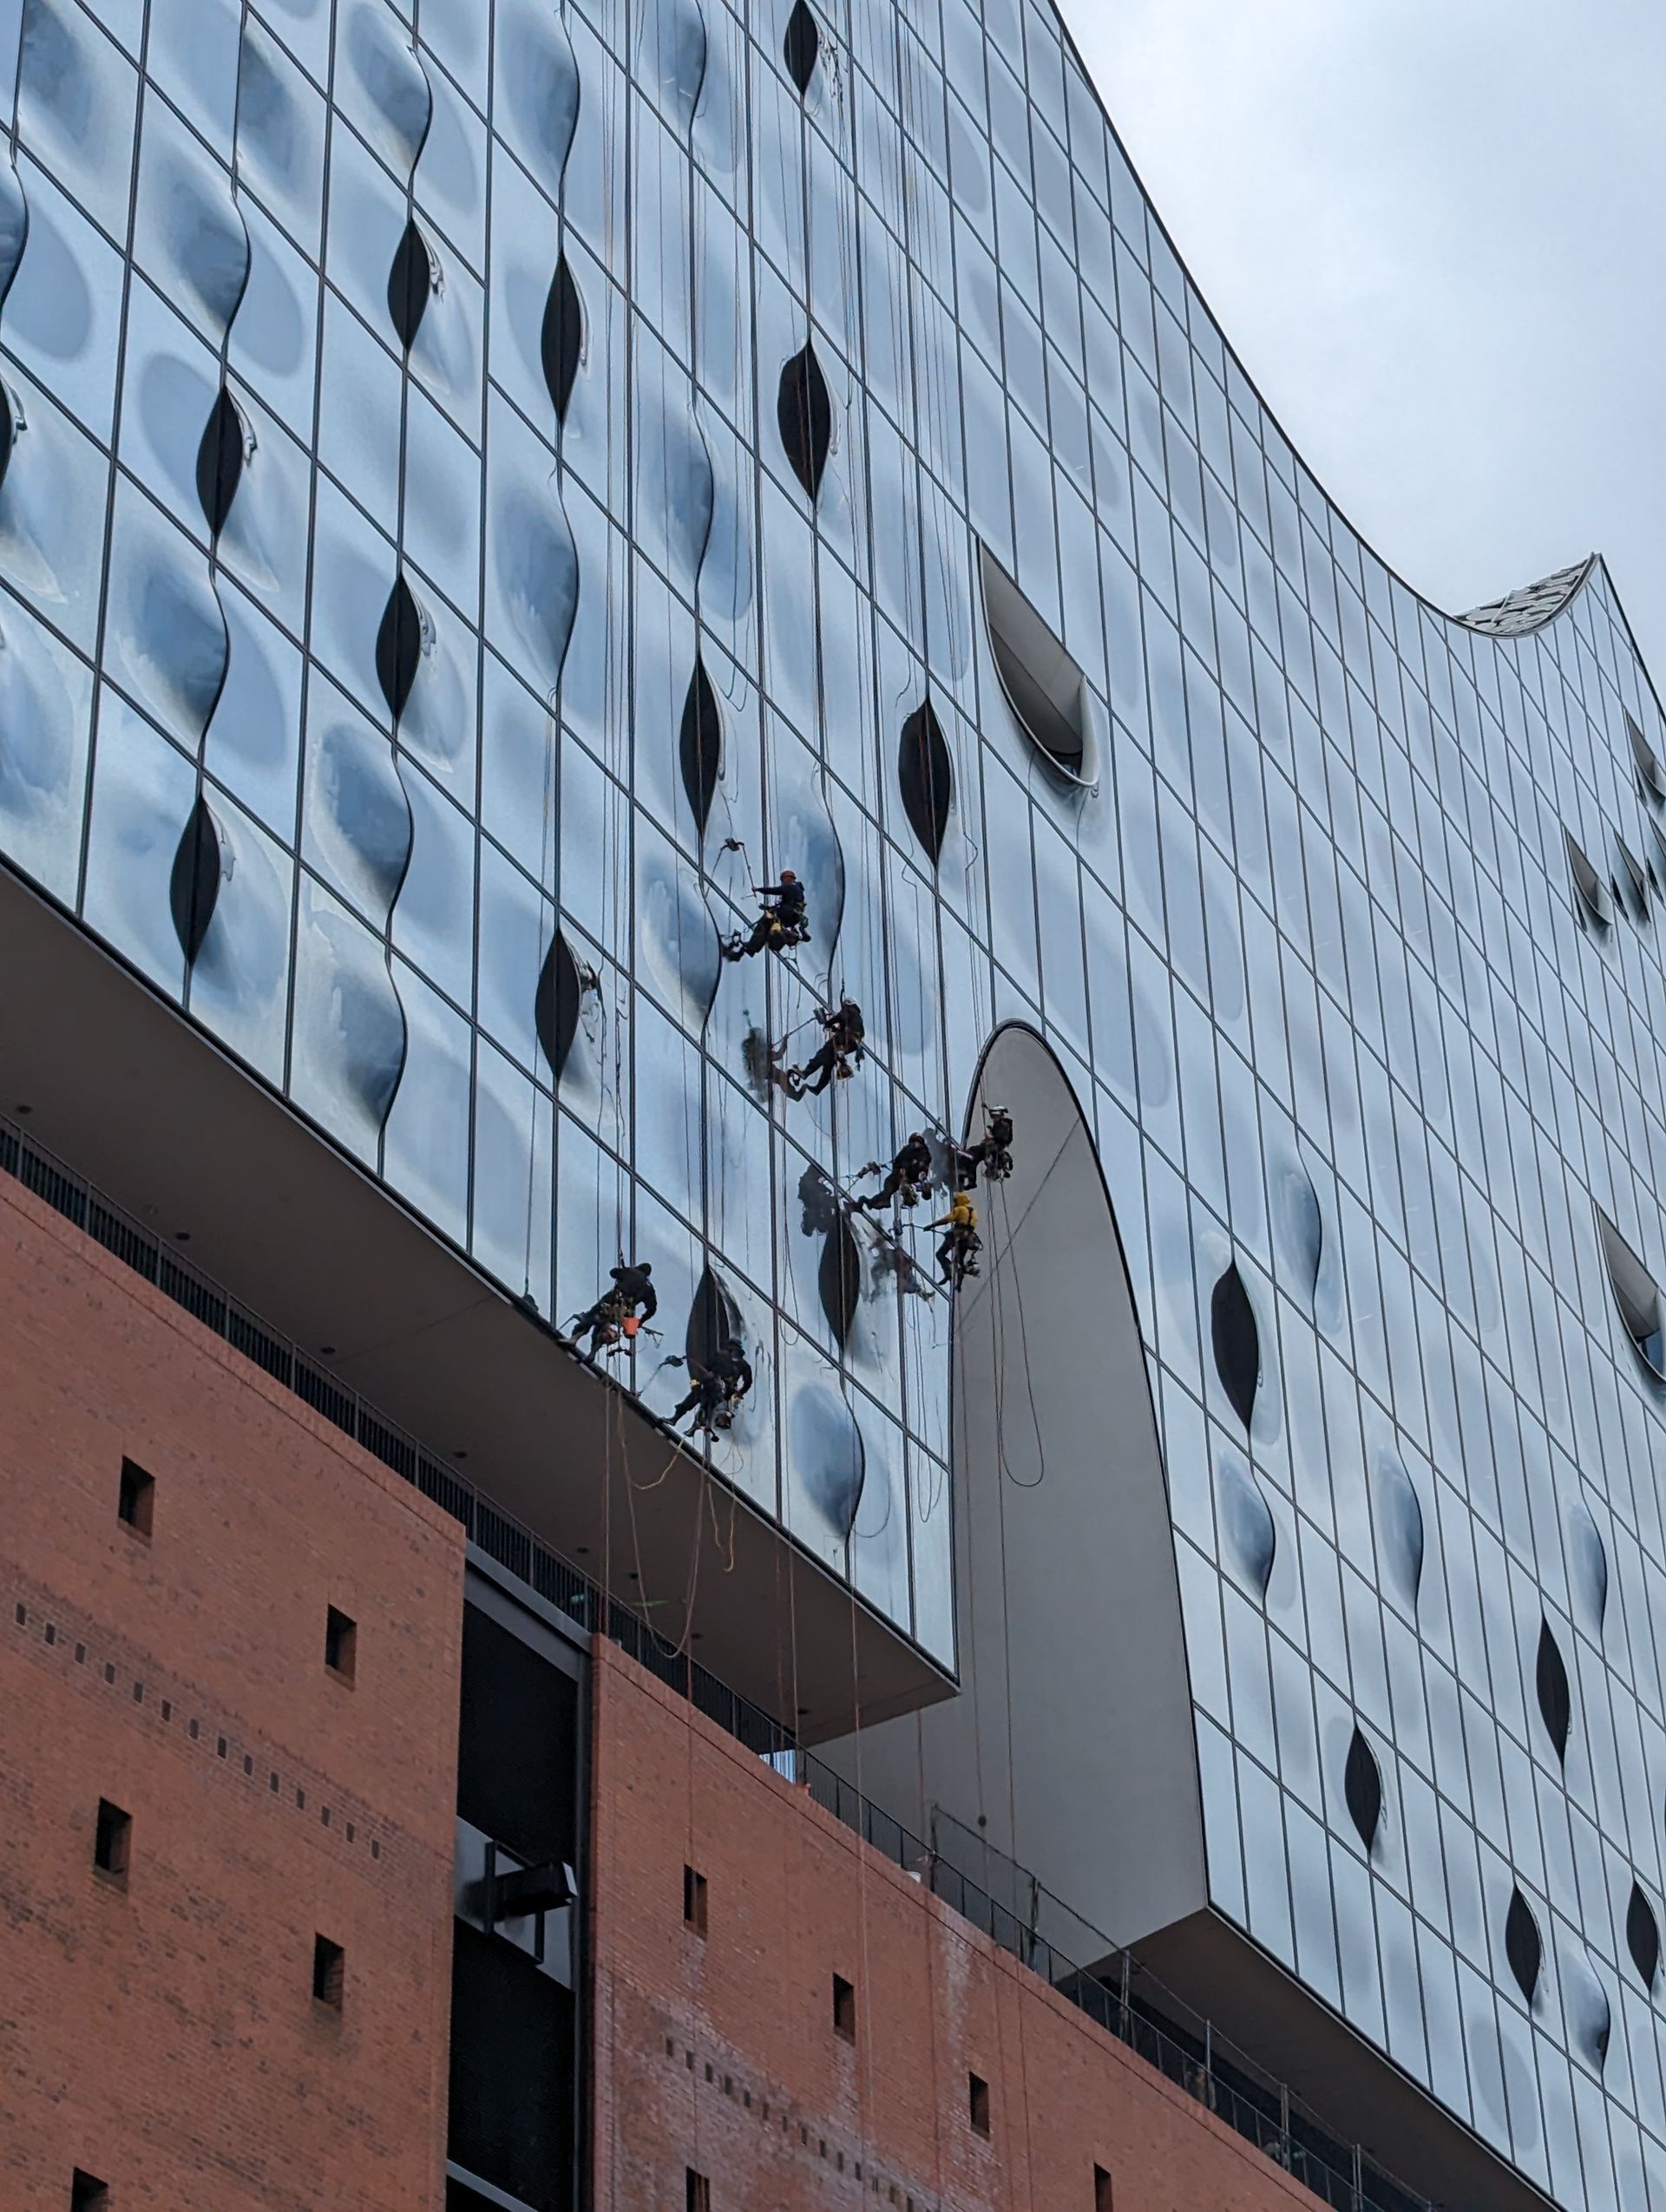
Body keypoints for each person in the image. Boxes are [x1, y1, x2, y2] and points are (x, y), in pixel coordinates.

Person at [571, 1260, 657, 1358]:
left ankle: (574, 1339)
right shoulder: (649, 1288)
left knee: (591, 1317)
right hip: (625, 1311)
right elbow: (652, 1309)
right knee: (601, 1326)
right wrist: (641, 1321)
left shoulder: (631, 1271)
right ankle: (593, 1352)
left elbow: (613, 1272)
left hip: (612, 1299)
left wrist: (624, 1272)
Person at [671, 1337, 754, 1436]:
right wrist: (698, 1380)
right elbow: (706, 1366)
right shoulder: (720, 1356)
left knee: (707, 1407)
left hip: (724, 1391)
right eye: (732, 1350)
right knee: (690, 1400)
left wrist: (740, 1393)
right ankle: (675, 1419)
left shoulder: (744, 1366)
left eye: (736, 1351)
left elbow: (748, 1382)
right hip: (708, 1384)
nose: (734, 1353)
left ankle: (693, 1428)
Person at [722, 869, 808, 960]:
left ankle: (748, 948)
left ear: (788, 878)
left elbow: (774, 890)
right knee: (767, 931)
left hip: (781, 917)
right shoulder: (798, 893)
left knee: (764, 924)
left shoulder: (791, 887)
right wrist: (767, 907)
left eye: (783, 880)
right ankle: (745, 950)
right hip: (784, 921)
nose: (782, 883)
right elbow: (788, 906)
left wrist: (758, 889)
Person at [788, 998, 865, 1097]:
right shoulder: (857, 1017)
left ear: (847, 1004)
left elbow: (839, 1018)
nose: (842, 1008)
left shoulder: (849, 1011)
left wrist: (828, 1024)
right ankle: (818, 1088)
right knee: (829, 1063)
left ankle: (806, 1073)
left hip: (843, 1040)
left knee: (823, 1054)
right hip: (851, 1044)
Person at [857, 1131, 934, 1213]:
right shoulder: (916, 1175)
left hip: (907, 1172)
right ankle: (876, 1202)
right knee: (891, 1184)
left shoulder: (907, 1173)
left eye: (904, 1196)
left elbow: (897, 1162)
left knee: (890, 1184)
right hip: (908, 1172)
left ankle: (876, 1202)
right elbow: (925, 1188)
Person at [926, 1188, 981, 1289]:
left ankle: (948, 1272)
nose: (954, 1204)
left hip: (956, 1236)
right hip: (968, 1238)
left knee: (940, 1254)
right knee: (959, 1261)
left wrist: (931, 1225)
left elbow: (946, 1220)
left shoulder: (959, 1209)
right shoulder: (974, 1212)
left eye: (955, 1201)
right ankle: (959, 1283)